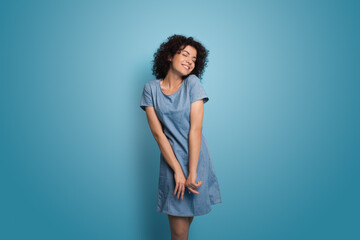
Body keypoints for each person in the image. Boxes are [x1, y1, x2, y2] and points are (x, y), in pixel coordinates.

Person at [140, 34, 222, 240]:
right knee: (178, 231)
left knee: (184, 225)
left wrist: (191, 171)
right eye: (185, 55)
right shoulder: (150, 89)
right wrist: (177, 169)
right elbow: (159, 135)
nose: (190, 62)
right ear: (169, 56)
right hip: (171, 161)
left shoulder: (193, 84)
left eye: (194, 59)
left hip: (196, 159)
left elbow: (195, 129)